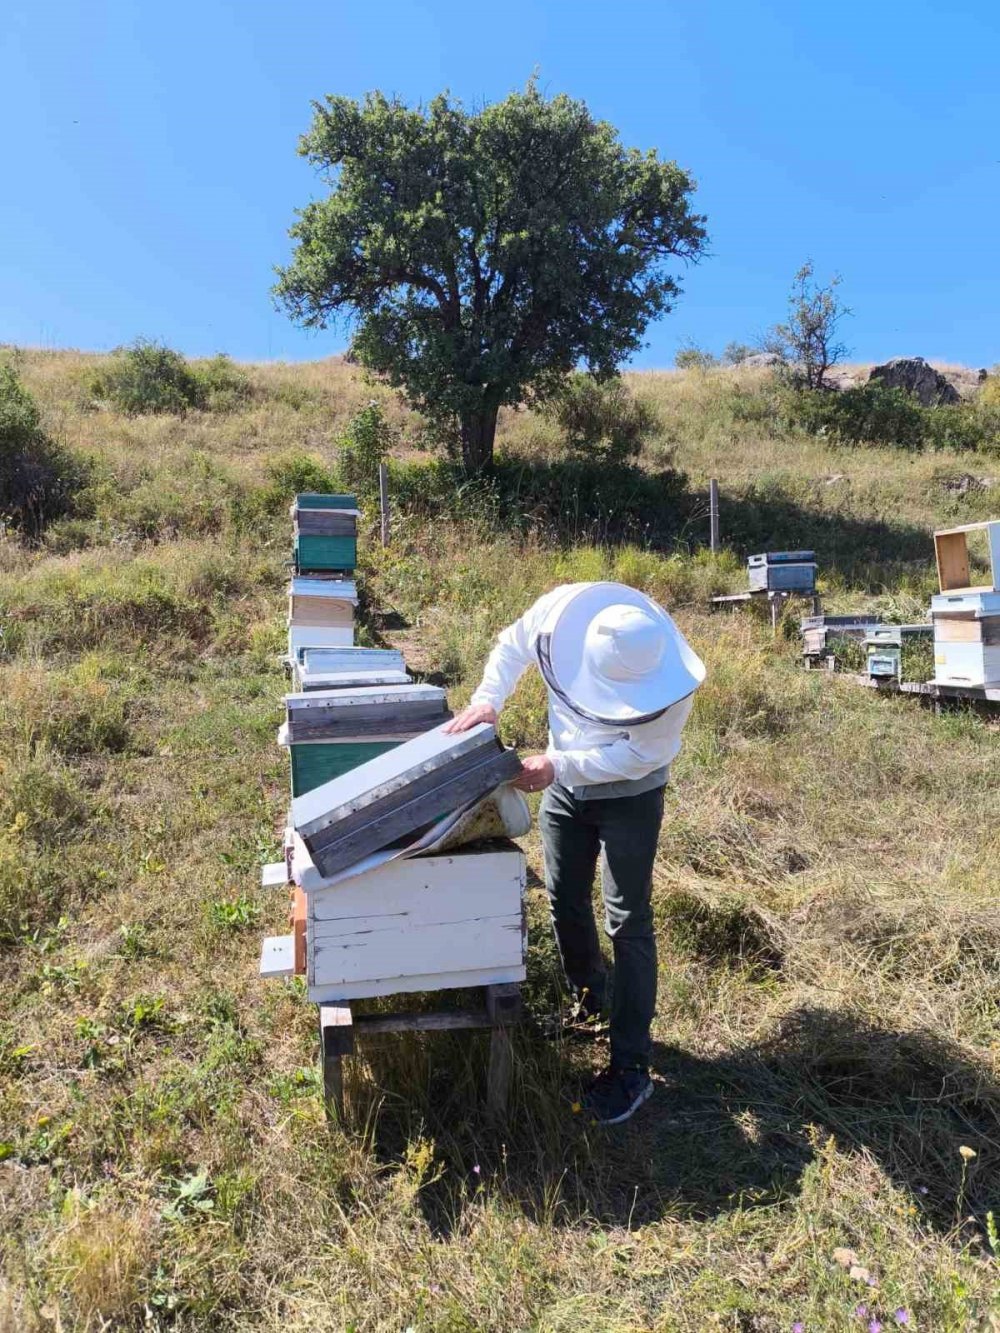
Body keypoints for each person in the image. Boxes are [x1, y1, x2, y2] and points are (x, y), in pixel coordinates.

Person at [445, 581, 705, 1125]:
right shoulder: (561, 615)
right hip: (563, 787)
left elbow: (635, 759)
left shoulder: (671, 688)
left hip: (629, 796)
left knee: (628, 920)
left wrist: (558, 766)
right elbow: (512, 645)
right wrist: (487, 699)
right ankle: (591, 999)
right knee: (563, 896)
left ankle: (632, 1069)